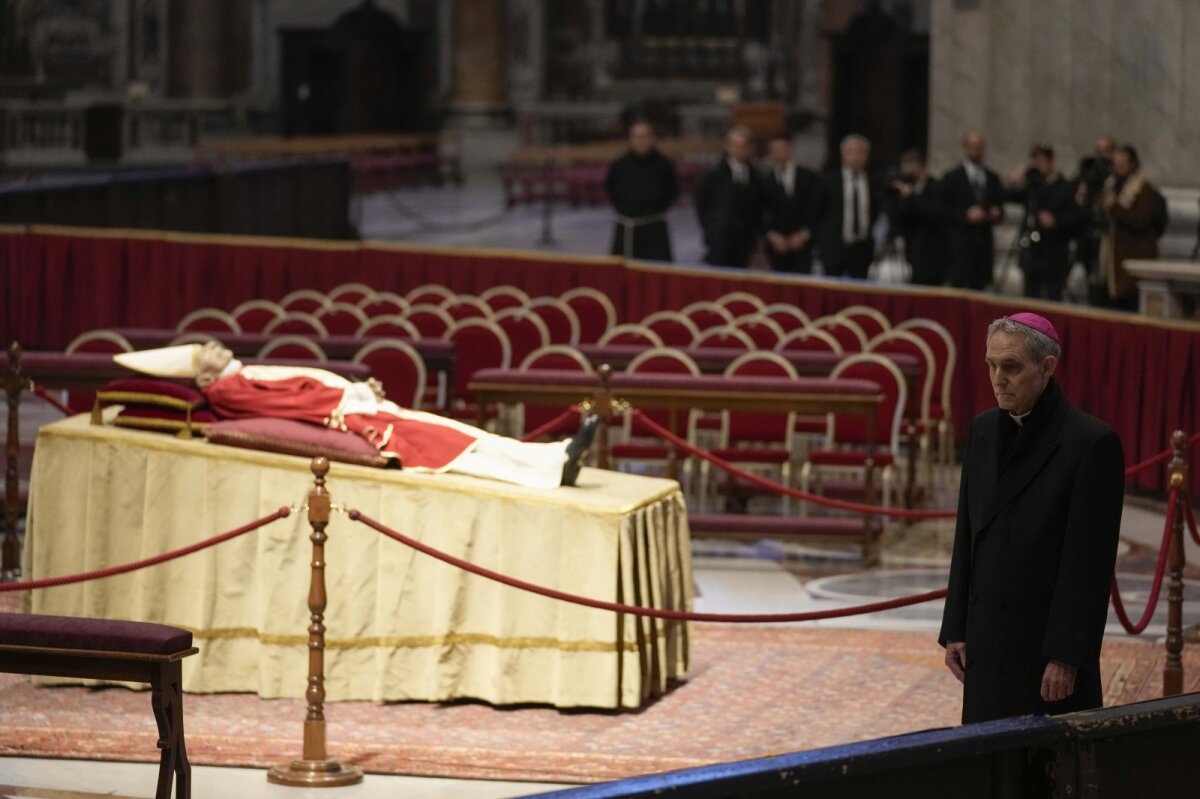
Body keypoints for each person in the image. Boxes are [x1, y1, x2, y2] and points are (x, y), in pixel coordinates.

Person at [939, 313, 1124, 724]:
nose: (998, 379)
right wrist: (956, 628)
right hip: (988, 645)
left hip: (1045, 656)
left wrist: (1067, 657)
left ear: (1047, 367)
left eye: (1011, 367)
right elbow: (967, 536)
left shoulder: (1091, 443)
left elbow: (1088, 566)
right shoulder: (984, 430)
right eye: (991, 366)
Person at [113, 343, 598, 490]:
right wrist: (351, 402)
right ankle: (550, 468)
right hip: (352, 419)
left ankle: (554, 458)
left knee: (456, 431)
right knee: (449, 446)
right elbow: (287, 405)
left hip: (355, 406)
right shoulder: (229, 390)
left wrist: (355, 391)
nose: (215, 346)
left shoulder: (238, 373)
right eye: (206, 352)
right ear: (202, 379)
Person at [1010, 145, 1087, 301]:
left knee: (1053, 295)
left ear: (1050, 161)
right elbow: (1008, 196)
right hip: (1033, 253)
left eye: (1041, 160)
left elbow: (1077, 218)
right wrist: (1016, 181)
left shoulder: (1066, 187)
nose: (1038, 165)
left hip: (1055, 253)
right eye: (1035, 161)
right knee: (1030, 296)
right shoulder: (1033, 185)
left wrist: (1055, 222)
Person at [605, 120, 680, 261]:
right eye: (637, 136)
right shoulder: (619, 165)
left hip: (654, 229)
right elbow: (611, 189)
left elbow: (673, 191)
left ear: (653, 139)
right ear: (630, 139)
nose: (641, 141)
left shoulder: (664, 165)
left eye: (645, 136)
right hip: (626, 228)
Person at [941, 131, 1006, 290]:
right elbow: (943, 210)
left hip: (982, 247)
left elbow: (1000, 208)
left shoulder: (992, 178)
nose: (975, 151)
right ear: (965, 148)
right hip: (960, 246)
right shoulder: (952, 178)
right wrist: (965, 215)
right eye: (972, 147)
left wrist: (994, 213)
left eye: (979, 147)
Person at [694, 125, 764, 268]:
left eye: (743, 145)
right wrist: (711, 232)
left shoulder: (756, 176)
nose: (739, 150)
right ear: (728, 147)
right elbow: (702, 205)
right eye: (735, 145)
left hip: (745, 241)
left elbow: (758, 208)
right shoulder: (713, 175)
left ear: (750, 148)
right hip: (719, 240)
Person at [1099, 145, 1159, 311]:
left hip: (1132, 258)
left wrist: (1114, 206)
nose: (1118, 168)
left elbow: (1140, 220)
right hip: (1112, 259)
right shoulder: (1110, 185)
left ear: (1132, 165)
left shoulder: (1144, 189)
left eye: (1123, 164)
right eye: (1116, 164)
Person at [816, 134, 880, 280]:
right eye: (851, 152)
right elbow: (817, 212)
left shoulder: (873, 182)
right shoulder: (828, 180)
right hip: (834, 247)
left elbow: (875, 211)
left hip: (862, 249)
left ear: (867, 156)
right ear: (843, 154)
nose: (855, 157)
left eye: (860, 153)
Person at [761, 133, 822, 274]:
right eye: (774, 150)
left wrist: (803, 234)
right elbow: (760, 211)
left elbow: (816, 209)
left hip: (803, 244)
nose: (778, 153)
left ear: (790, 149)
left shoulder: (809, 177)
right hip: (776, 246)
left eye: (781, 149)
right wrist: (773, 236)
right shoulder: (764, 180)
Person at [888, 148, 947, 286]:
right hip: (909, 250)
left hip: (932, 253)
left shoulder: (937, 186)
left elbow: (934, 213)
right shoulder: (905, 188)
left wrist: (912, 197)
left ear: (921, 167)